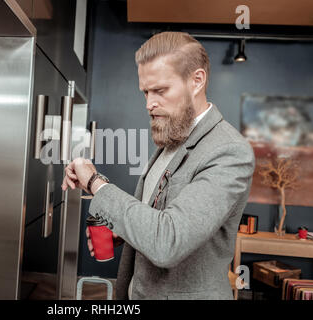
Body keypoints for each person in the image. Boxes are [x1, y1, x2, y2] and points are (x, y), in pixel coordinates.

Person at [62, 31, 255, 300]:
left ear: (196, 80)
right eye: (145, 92)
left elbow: (169, 242)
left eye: (160, 91)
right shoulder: (171, 141)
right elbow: (158, 221)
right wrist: (125, 233)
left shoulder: (229, 151)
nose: (149, 103)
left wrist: (96, 183)